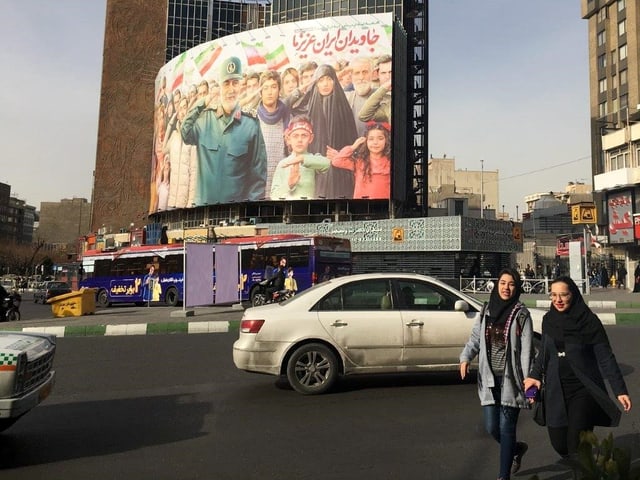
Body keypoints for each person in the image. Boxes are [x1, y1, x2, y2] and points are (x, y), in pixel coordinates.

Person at [524, 276, 632, 460]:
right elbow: (544, 353)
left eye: (563, 295)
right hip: (556, 390)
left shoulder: (589, 321)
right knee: (560, 445)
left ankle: (584, 467)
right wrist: (534, 376)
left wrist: (619, 389)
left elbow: (605, 357)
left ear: (572, 295)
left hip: (583, 390)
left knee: (576, 445)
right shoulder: (549, 320)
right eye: (554, 295)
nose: (558, 300)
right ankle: (583, 462)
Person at [460, 267, 534, 480]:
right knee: (492, 427)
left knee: (506, 427)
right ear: (497, 284)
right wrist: (465, 357)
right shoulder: (486, 310)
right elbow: (475, 338)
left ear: (516, 287)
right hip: (489, 378)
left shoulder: (521, 314)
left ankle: (503, 476)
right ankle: (517, 449)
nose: (506, 288)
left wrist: (528, 380)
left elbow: (527, 349)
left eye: (511, 284)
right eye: (503, 283)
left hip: (511, 379)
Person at [181, 56, 267, 204]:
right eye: (226, 83)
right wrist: (202, 103)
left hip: (235, 214)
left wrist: (247, 213)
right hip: (204, 210)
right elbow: (185, 133)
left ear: (241, 87)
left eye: (235, 83)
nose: (231, 89)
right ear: (219, 87)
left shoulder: (251, 125)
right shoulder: (204, 120)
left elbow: (258, 175)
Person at [291, 64, 358, 199]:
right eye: (321, 80)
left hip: (340, 170)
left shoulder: (345, 109)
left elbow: (352, 141)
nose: (325, 84)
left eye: (329, 79)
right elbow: (291, 105)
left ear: (335, 81)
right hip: (315, 168)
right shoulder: (308, 109)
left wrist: (340, 155)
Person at [270, 115, 330, 200]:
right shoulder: (283, 164)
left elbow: (326, 163)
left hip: (309, 209)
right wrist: (289, 184)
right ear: (289, 138)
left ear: (311, 138)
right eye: (295, 136)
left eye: (304, 135)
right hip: (288, 210)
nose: (299, 140)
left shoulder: (312, 160)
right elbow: (274, 195)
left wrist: (302, 159)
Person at [328, 121, 391, 199]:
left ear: (386, 141)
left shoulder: (390, 163)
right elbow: (337, 161)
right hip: (361, 207)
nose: (375, 142)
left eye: (380, 138)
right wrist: (353, 146)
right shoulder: (359, 162)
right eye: (371, 139)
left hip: (383, 206)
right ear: (366, 142)